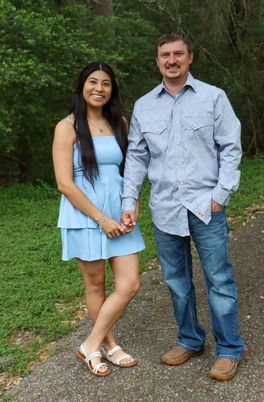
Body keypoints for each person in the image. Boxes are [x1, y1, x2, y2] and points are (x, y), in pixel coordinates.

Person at [121, 32, 244, 381]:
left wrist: (221, 194)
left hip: (206, 207)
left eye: (178, 54)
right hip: (165, 208)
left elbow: (230, 148)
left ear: (191, 57)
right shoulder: (145, 105)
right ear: (157, 60)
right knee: (176, 281)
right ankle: (190, 339)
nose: (171, 60)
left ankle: (229, 349)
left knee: (219, 280)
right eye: (165, 55)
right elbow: (136, 158)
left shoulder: (213, 98)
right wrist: (129, 200)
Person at [52, 62, 145, 377]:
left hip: (120, 214)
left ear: (112, 90)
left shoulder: (120, 122)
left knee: (129, 284)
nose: (99, 88)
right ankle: (109, 346)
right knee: (95, 285)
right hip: (85, 215)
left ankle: (90, 344)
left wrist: (133, 207)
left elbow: (132, 171)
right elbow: (64, 183)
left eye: (106, 83)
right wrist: (101, 219)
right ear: (82, 86)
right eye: (93, 82)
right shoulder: (67, 127)